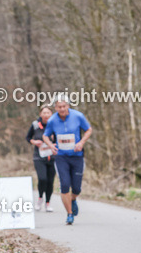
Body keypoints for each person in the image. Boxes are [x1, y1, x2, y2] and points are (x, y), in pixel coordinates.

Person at [42, 96, 92, 225]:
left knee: (76, 188)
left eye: (64, 106)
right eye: (59, 107)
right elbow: (45, 135)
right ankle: (69, 214)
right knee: (64, 185)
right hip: (61, 157)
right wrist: (51, 145)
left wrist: (81, 142)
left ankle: (73, 199)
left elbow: (88, 130)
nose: (62, 109)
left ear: (68, 106)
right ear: (56, 108)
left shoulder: (78, 116)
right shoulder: (52, 120)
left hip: (77, 156)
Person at [27, 106, 57, 212]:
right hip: (39, 157)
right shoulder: (35, 125)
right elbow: (28, 137)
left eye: (48, 113)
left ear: (51, 114)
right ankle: (40, 198)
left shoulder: (55, 124)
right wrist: (34, 142)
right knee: (42, 179)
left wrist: (54, 141)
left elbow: (60, 139)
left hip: (52, 157)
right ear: (40, 114)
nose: (46, 115)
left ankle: (47, 203)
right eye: (44, 113)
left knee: (50, 181)